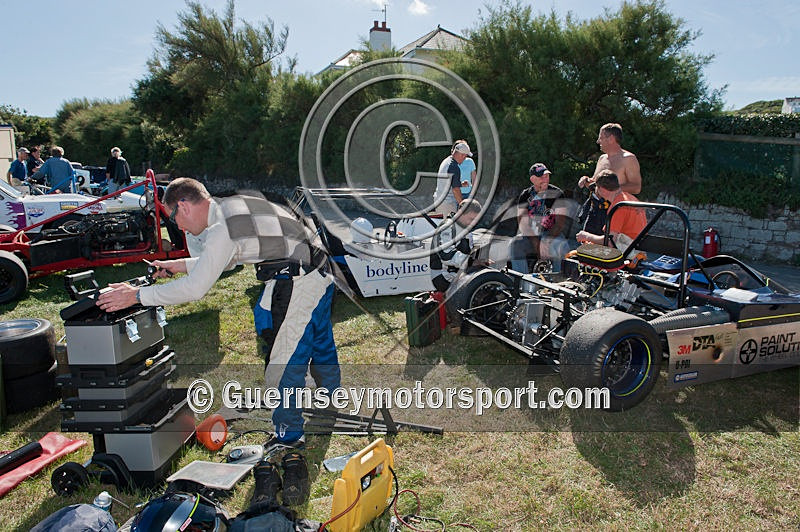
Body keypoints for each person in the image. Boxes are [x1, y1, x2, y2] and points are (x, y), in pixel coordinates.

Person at [97, 178, 340, 451]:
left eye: (173, 219)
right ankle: (330, 396)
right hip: (319, 269)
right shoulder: (229, 208)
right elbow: (225, 258)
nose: (178, 227)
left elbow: (196, 288)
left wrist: (136, 296)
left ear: (183, 206)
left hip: (298, 278)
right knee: (315, 338)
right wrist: (179, 265)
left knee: (282, 362)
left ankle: (289, 436)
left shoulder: (223, 226)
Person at [576, 123, 642, 234]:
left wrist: (611, 189)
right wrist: (586, 180)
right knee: (586, 242)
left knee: (607, 243)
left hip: (613, 211)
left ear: (611, 139)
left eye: (601, 137)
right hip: (594, 210)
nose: (598, 141)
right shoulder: (602, 158)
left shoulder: (628, 159)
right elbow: (596, 181)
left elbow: (636, 187)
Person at [510, 163, 571, 272]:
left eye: (546, 176)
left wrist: (545, 241)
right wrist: (536, 243)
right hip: (531, 234)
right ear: (532, 179)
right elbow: (523, 224)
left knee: (562, 246)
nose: (545, 179)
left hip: (552, 234)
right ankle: (522, 279)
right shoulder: (525, 195)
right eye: (541, 177)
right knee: (515, 244)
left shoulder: (558, 193)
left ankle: (558, 278)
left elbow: (560, 224)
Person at [575, 170, 646, 251]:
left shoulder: (618, 207)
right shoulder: (630, 198)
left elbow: (610, 242)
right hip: (637, 246)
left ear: (601, 189)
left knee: (579, 252)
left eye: (596, 187)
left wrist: (586, 236)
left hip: (627, 250)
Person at [429, 199, 481, 291]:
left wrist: (479, 261)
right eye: (471, 219)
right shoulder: (447, 227)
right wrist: (471, 262)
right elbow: (446, 256)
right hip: (442, 276)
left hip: (458, 272)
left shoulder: (466, 228)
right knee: (478, 285)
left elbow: (468, 252)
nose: (473, 223)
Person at [433, 141, 471, 216]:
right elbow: (455, 190)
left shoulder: (446, 161)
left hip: (439, 201)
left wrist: (461, 184)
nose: (465, 159)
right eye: (465, 156)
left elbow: (449, 183)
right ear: (462, 155)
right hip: (448, 204)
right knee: (450, 223)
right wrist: (462, 206)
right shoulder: (454, 167)